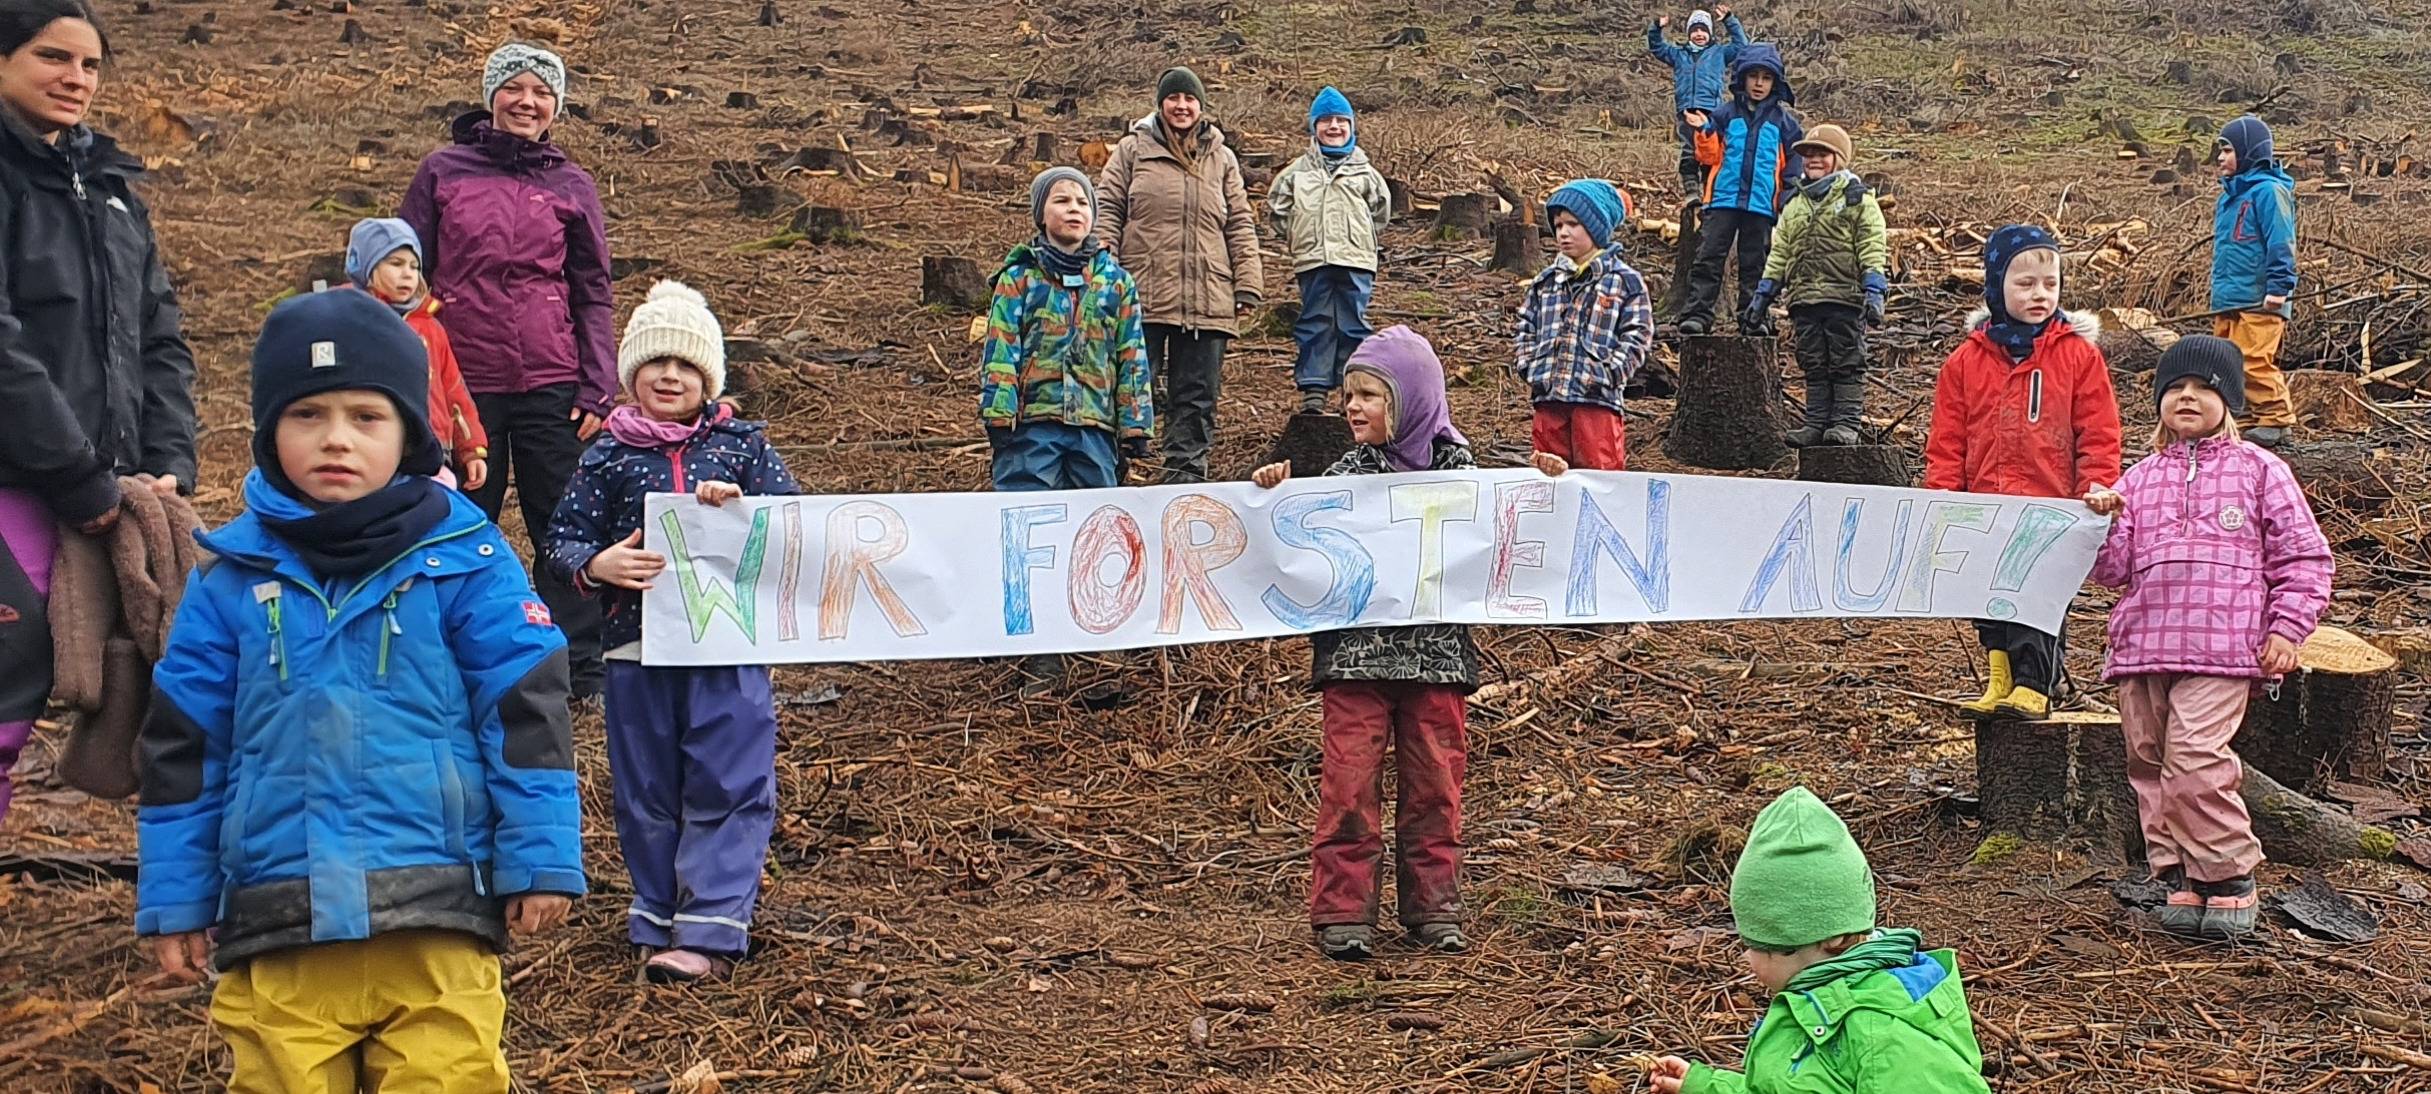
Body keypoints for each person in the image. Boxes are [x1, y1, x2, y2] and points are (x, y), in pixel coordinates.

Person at [136, 289, 582, 1090]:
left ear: (411, 430)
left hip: (439, 913)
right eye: (307, 415)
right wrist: (176, 895)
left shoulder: (466, 559)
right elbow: (183, 745)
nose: (336, 438)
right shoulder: (230, 580)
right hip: (281, 916)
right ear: (269, 433)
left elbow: (524, 710)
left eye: (365, 416)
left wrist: (540, 855)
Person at [1252, 327, 1567, 961]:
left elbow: (1514, 525)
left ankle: (1434, 906)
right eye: (1348, 394)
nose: (1353, 406)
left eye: (1371, 393)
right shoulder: (1341, 477)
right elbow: (1295, 543)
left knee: (1435, 786)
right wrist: (1272, 492)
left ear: (1413, 399)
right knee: (1349, 784)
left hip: (1437, 662)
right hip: (1354, 662)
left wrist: (1545, 482)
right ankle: (1343, 910)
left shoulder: (1465, 474)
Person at [543, 281, 797, 982]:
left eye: (686, 366)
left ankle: (712, 925)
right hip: (634, 649)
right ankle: (657, 914)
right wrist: (598, 564)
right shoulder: (606, 456)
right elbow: (560, 541)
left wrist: (741, 507)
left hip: (728, 648)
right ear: (630, 375)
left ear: (708, 377)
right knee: (646, 787)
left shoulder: (743, 447)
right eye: (655, 363)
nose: (669, 376)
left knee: (729, 777)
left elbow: (798, 525)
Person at [0, 0, 196, 820]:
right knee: (6, 686)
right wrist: (78, 474)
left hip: (106, 490)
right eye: (53, 57)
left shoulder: (113, 189)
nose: (75, 78)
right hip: (23, 481)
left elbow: (161, 338)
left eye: (89, 64)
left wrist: (171, 462)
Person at [2083, 335, 2331, 940]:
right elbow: (2113, 572)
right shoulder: (2137, 479)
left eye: (2203, 388)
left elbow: (2304, 558)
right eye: (2175, 388)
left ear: (2230, 401)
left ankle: (2229, 874)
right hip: (2143, 646)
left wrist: (2288, 628)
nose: (2187, 397)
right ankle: (2179, 875)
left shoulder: (2260, 470)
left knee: (2195, 760)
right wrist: (2102, 522)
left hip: (2224, 650)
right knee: (2148, 763)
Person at [401, 41, 611, 698]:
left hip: (554, 379)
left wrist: (599, 384)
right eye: (514, 88)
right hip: (463, 384)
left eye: (542, 92)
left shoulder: (572, 185)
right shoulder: (442, 171)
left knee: (565, 522)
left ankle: (576, 666)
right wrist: (413, 373)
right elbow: (403, 278)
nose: (527, 101)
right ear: (491, 97)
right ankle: (457, 657)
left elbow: (592, 289)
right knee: (461, 518)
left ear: (556, 106)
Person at [1649, 788, 1992, 1093]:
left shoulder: (1883, 1033)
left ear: (1832, 939)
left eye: (1761, 948)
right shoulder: (1816, 1001)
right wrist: (1706, 1086)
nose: (1747, 959)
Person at [1924, 226, 2122, 720]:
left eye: (2049, 284)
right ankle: (2000, 675)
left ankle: (2037, 681)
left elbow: (2098, 429)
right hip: (1984, 503)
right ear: (1996, 285)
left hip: (2050, 505)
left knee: (2037, 594)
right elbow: (1948, 438)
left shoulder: (2078, 356)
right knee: (1985, 591)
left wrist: (2096, 485)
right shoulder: (1965, 361)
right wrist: (1942, 495)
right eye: (2025, 283)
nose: (2040, 295)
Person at [981, 167, 1152, 693]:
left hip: (1095, 428)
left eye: (1083, 201)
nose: (1074, 208)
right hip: (1033, 425)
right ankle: (1038, 649)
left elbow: (1132, 356)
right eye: (1061, 200)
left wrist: (1135, 423)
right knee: (1031, 528)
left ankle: (1096, 641)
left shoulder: (1116, 283)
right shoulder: (1019, 278)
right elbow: (1001, 349)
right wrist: (999, 412)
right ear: (1041, 215)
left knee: (1096, 527)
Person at [1095, 66, 1265, 483]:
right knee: (1130, 388)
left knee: (1197, 397)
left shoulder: (1221, 157)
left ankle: (1184, 479)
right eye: (1174, 98)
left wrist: (1247, 283)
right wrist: (1104, 272)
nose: (1182, 106)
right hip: (1141, 294)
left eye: (1190, 99)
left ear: (1201, 106)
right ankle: (1110, 476)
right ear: (1160, 104)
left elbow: (1239, 223)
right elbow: (1107, 210)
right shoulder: (1131, 150)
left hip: (1209, 295)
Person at [1744, 124, 1887, 447]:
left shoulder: (1856, 198)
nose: (1813, 160)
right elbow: (1780, 251)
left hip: (1844, 297)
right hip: (1804, 298)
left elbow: (1872, 244)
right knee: (1812, 362)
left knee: (1846, 360)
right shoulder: (1795, 203)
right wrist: (1764, 295)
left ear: (1839, 159)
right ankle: (1815, 423)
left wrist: (1874, 289)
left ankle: (1846, 423)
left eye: (1822, 154)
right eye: (1808, 154)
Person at [1513, 180, 1653, 471]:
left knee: (1600, 478)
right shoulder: (1546, 282)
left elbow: (1638, 333)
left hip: (1597, 402)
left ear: (1596, 227)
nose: (1563, 232)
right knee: (1548, 479)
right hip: (1548, 396)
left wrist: (1611, 372)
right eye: (1558, 224)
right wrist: (1530, 364)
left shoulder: (1624, 281)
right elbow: (1526, 324)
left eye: (1573, 224)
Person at [1269, 86, 1389, 414]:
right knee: (1315, 320)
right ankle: (1314, 391)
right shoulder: (1296, 173)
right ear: (1313, 127)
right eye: (1326, 121)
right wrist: (1298, 237)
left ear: (1351, 127)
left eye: (1341, 121)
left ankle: (1355, 392)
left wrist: (1360, 239)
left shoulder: (1366, 173)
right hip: (1313, 260)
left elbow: (1381, 212)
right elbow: (1277, 210)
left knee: (1354, 323)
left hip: (1356, 261)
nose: (1334, 127)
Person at [347, 217, 490, 491]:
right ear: (366, 267)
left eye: (415, 267)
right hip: (373, 450)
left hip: (434, 451)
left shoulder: (431, 328)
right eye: (396, 264)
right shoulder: (352, 320)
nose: (408, 274)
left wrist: (471, 447)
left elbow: (454, 392)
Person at [1681, 44, 1803, 335]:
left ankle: (1753, 318)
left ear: (1775, 83)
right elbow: (1708, 157)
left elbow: (1794, 165)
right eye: (1753, 77)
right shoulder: (1725, 114)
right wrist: (1704, 131)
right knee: (1709, 258)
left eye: (1766, 78)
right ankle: (1698, 314)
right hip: (1722, 199)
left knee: (1755, 264)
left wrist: (1787, 196)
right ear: (1742, 79)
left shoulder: (1785, 123)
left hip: (1762, 204)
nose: (1759, 84)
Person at [2210, 115, 2298, 448]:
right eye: (2220, 150)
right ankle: (2243, 417)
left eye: (2228, 150)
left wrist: (2279, 288)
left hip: (2260, 298)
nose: (2220, 158)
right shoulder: (2229, 197)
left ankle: (2276, 417)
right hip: (2231, 297)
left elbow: (2281, 242)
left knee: (2252, 358)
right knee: (2227, 360)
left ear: (2249, 152)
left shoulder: (2269, 192)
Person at [1646, 6, 1748, 198]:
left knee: (1710, 151)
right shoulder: (1678, 54)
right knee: (1689, 150)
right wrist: (1656, 28)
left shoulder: (1720, 53)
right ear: (1688, 33)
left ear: (1709, 33)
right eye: (1695, 30)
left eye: (1703, 30)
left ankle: (1710, 192)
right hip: (1687, 110)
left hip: (1712, 111)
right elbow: (1657, 47)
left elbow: (1741, 45)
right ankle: (1691, 193)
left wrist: (1729, 20)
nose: (1699, 34)